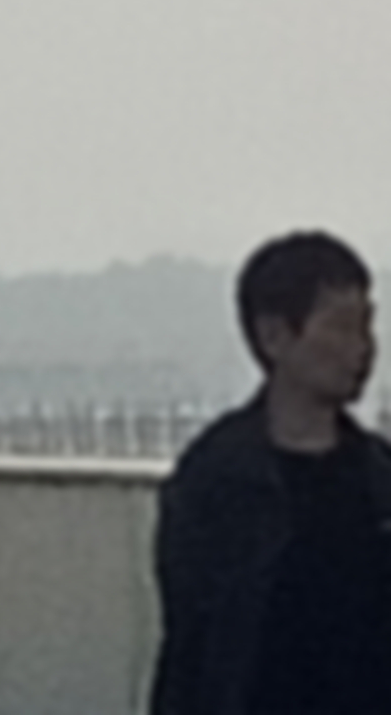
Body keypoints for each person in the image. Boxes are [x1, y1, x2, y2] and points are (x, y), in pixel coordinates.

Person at [150, 230, 391, 715]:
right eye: (341, 327)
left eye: (368, 326)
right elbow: (194, 648)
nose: (363, 347)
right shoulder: (216, 479)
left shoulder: (379, 475)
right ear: (274, 336)